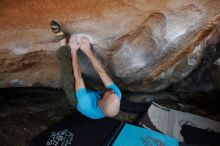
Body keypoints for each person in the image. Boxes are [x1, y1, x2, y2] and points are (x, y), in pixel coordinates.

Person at [50, 20, 121, 119]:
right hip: (92, 95)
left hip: (76, 99)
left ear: (100, 103)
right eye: (114, 94)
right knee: (82, 78)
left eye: (110, 94)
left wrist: (74, 50)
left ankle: (63, 42)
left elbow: (78, 77)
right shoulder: (115, 96)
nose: (112, 91)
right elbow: (102, 73)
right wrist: (88, 51)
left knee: (68, 73)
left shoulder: (85, 104)